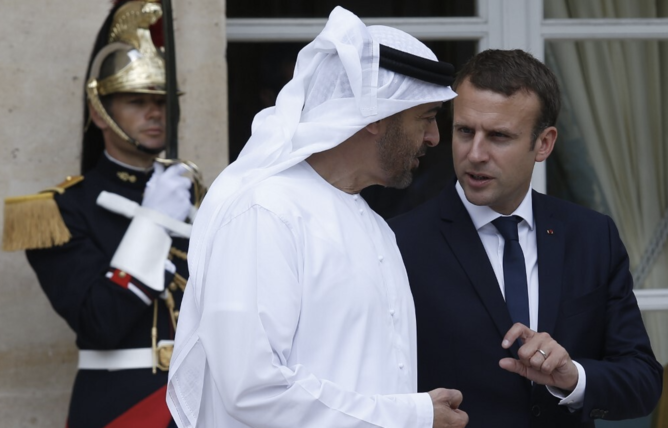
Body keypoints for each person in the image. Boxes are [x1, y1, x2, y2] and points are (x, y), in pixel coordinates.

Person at [167, 6, 468, 428]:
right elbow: (252, 390)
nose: (435, 138)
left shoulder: (375, 227)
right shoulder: (267, 211)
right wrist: (411, 415)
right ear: (376, 118)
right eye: (427, 118)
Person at [389, 49, 664, 428]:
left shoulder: (592, 236)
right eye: (465, 131)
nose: (476, 153)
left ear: (544, 144)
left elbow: (643, 381)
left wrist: (574, 377)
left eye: (499, 136)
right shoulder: (399, 243)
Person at [2, 1, 198, 427]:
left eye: (162, 101)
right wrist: (151, 225)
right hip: (122, 407)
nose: (155, 113)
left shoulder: (195, 196)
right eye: (136, 100)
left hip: (202, 402)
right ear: (99, 111)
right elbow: (100, 322)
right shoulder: (57, 211)